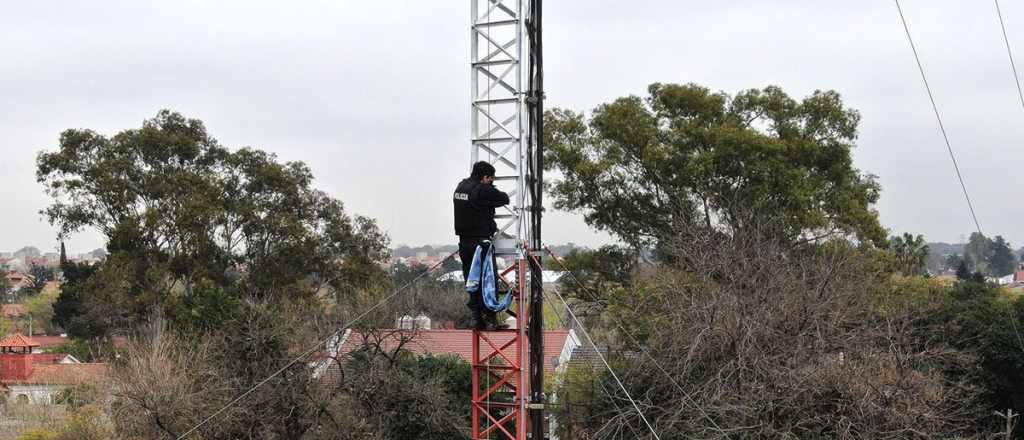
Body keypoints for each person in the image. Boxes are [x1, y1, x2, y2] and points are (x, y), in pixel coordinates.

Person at [454, 161, 511, 330]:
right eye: (490, 178)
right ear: (485, 177)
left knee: (471, 281)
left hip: (464, 243)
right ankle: (490, 319)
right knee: (487, 281)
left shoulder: (460, 188)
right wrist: (490, 188)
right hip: (481, 244)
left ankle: (476, 317)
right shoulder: (483, 190)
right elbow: (504, 198)